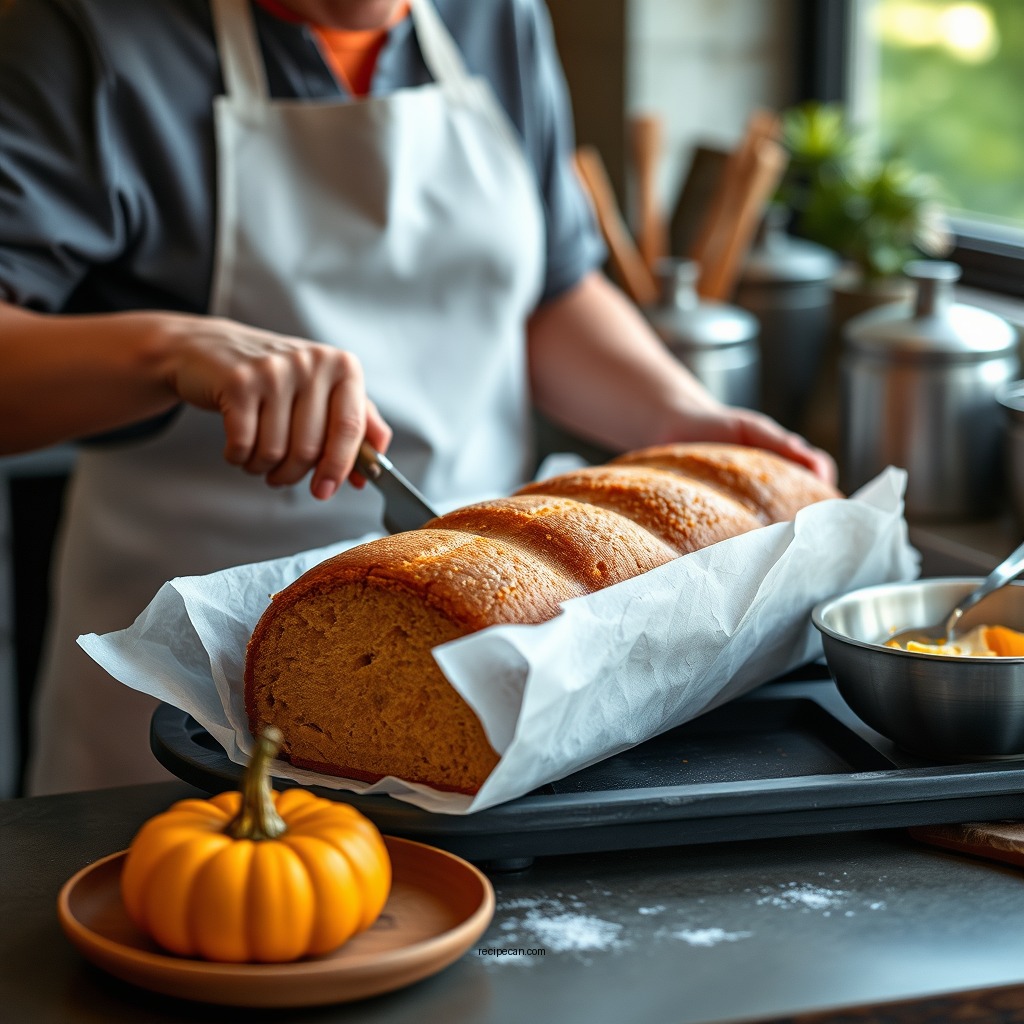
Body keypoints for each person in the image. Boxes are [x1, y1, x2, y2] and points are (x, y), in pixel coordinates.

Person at [0, 0, 834, 795]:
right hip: (189, 697)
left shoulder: (495, 17)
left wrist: (678, 414)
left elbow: (547, 292)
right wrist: (174, 347)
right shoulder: (89, 35)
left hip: (478, 647)